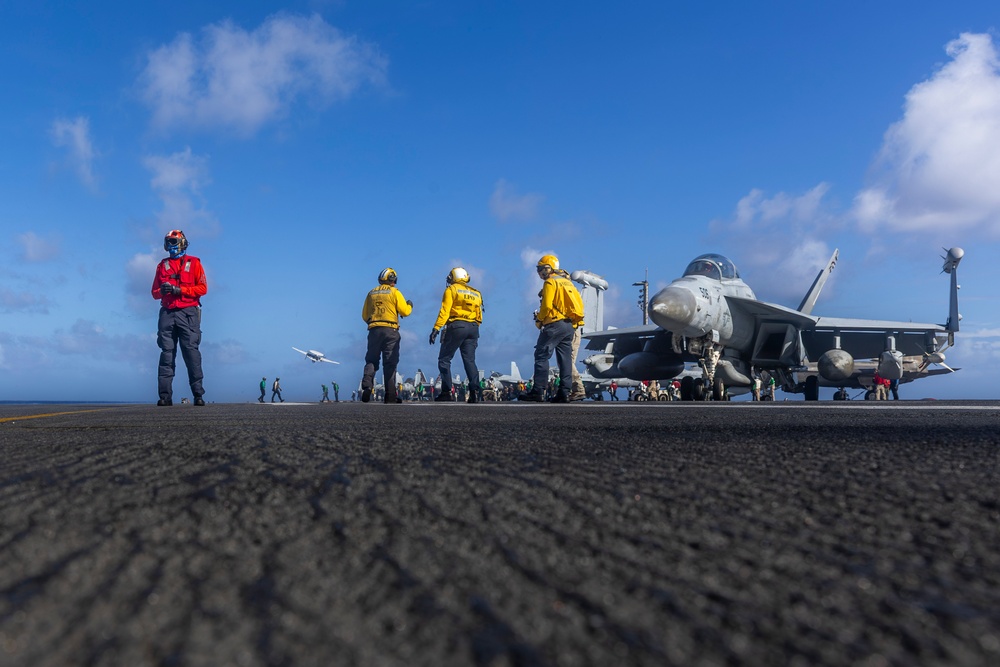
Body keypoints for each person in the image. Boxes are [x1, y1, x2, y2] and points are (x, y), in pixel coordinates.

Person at [151, 229, 208, 406]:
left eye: (173, 242)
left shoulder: (195, 263)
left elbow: (203, 289)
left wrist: (180, 290)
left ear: (182, 243)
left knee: (192, 354)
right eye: (168, 242)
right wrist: (162, 291)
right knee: (167, 355)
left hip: (188, 313)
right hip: (167, 313)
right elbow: (153, 293)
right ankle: (165, 397)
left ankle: (198, 394)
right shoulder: (162, 266)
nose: (170, 246)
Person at [519, 254, 583, 403]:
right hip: (569, 326)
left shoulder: (550, 282)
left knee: (541, 355)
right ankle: (564, 392)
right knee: (565, 359)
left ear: (548, 268)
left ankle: (538, 391)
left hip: (554, 324)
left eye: (541, 269)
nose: (540, 273)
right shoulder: (568, 283)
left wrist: (540, 320)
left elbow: (547, 305)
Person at [429, 267, 484, 403]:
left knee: (444, 359)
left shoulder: (451, 290)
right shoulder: (476, 293)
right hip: (473, 327)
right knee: (469, 361)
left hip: (457, 326)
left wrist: (436, 329)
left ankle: (447, 392)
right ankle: (474, 392)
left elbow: (445, 311)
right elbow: (479, 316)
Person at [361, 267, 413, 403]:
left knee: (371, 359)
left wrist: (374, 322)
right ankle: (390, 396)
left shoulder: (371, 293)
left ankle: (367, 387)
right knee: (390, 363)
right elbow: (405, 312)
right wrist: (409, 305)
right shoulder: (395, 292)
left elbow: (364, 315)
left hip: (374, 330)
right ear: (392, 279)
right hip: (391, 331)